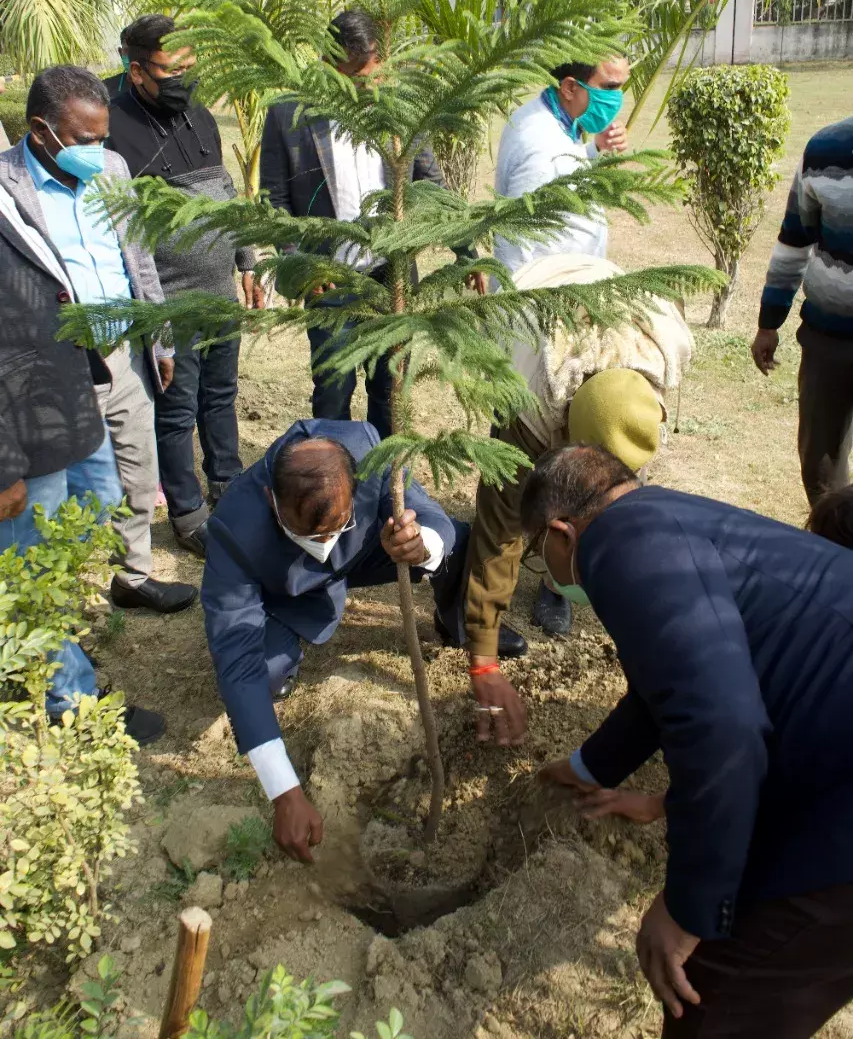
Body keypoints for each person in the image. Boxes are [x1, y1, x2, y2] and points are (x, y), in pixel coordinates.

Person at [518, 444, 853, 1039]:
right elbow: (678, 680)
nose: (547, 570)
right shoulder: (668, 517)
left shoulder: (618, 550)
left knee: (719, 999)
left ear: (561, 533)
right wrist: (589, 767)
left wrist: (689, 907)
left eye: (538, 556)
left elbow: (723, 730)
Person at [201, 418, 506, 862]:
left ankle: (453, 615)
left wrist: (421, 545)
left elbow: (430, 512)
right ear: (272, 500)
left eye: (336, 527)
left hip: (367, 554)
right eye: (309, 534)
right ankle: (287, 648)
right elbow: (236, 655)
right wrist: (283, 789)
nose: (325, 544)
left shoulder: (367, 452)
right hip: (288, 593)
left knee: (455, 541)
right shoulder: (236, 528)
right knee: (263, 675)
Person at [0, 65, 196, 615]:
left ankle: (132, 577)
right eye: (86, 139)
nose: (99, 148)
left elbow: (140, 259)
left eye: (103, 136)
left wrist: (160, 339)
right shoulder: (5, 190)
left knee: (137, 470)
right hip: (56, 365)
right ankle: (56, 599)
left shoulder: (111, 169)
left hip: (124, 350)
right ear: (41, 130)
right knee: (59, 491)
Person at [465, 252, 691, 683]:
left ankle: (558, 584)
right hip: (533, 307)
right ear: (564, 430)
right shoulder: (528, 401)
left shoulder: (648, 384)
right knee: (508, 513)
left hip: (612, 307)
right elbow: (499, 531)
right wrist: (484, 660)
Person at [259, 9, 484, 440]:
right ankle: (334, 481)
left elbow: (432, 184)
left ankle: (387, 481)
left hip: (391, 276)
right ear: (330, 65)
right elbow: (275, 200)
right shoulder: (289, 115)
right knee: (332, 388)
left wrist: (467, 252)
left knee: (390, 386)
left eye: (377, 70)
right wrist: (299, 266)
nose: (373, 83)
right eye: (361, 74)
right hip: (329, 279)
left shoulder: (401, 109)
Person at [0, 177, 164, 743]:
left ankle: (49, 641)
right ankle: (68, 701)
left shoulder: (7, 194)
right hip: (21, 431)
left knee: (99, 506)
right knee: (34, 562)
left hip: (68, 400)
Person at [108, 14, 262, 557]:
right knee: (176, 410)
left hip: (219, 290)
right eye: (174, 71)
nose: (185, 81)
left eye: (192, 67)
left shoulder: (199, 115)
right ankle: (187, 510)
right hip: (169, 302)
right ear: (137, 71)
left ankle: (228, 482)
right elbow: (123, 232)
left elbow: (224, 192)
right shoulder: (112, 126)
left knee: (221, 397)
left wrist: (246, 259)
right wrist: (153, 311)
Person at [752, 117, 853, 503]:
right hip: (828, 342)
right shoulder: (825, 149)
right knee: (821, 471)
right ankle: (833, 548)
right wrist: (769, 322)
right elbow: (794, 241)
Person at [493, 57, 630, 275]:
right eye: (609, 87)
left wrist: (595, 148)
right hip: (544, 298)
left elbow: (561, 170)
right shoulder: (538, 144)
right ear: (569, 88)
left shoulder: (556, 118)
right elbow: (515, 243)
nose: (616, 98)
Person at [103, 27, 130, 101]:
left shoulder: (159, 86)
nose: (133, 57)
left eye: (138, 51)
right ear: (120, 53)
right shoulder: (105, 88)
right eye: (128, 51)